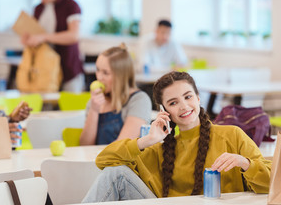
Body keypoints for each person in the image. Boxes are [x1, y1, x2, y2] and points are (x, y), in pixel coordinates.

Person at [82, 71, 271, 202]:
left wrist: (245, 163)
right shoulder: (156, 148)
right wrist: (147, 140)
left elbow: (272, 182)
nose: (183, 106)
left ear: (198, 98)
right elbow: (103, 160)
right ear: (163, 110)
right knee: (115, 173)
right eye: (173, 102)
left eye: (188, 97)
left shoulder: (232, 135)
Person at [21, 0, 84, 92]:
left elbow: (74, 35)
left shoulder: (71, 5)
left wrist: (44, 37)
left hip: (68, 68)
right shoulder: (38, 9)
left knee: (70, 108)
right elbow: (36, 35)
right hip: (44, 70)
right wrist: (29, 39)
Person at [79, 45, 152, 145]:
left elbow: (121, 148)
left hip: (124, 160)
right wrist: (94, 110)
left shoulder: (139, 100)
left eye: (105, 73)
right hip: (96, 159)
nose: (99, 77)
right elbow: (84, 146)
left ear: (120, 76)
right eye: (98, 69)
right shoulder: (94, 102)